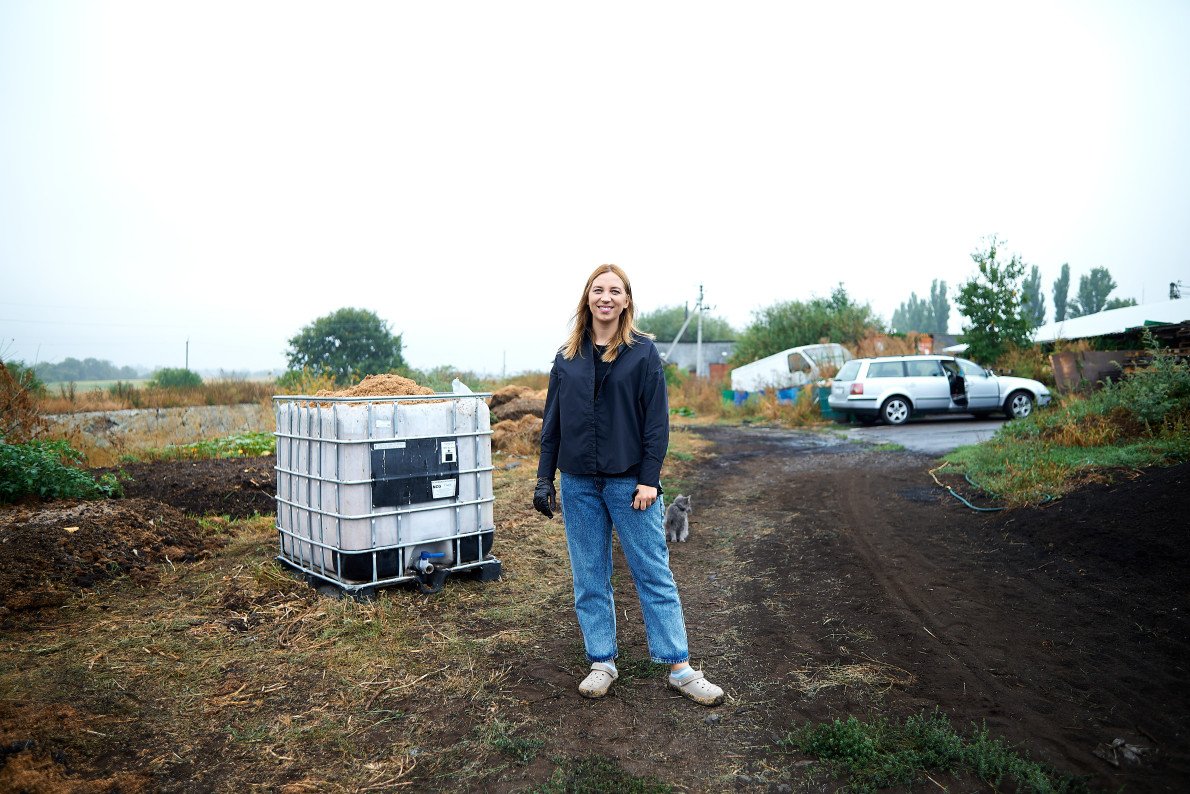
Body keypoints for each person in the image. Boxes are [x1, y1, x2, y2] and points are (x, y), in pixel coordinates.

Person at [533, 263, 725, 706]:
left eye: (614, 291)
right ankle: (602, 662)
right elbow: (552, 425)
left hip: (629, 486)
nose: (605, 297)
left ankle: (680, 667)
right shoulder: (566, 357)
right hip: (579, 484)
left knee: (653, 574)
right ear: (587, 298)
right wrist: (545, 479)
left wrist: (649, 480)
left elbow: (656, 423)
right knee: (589, 576)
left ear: (626, 301)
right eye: (597, 290)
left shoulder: (643, 353)